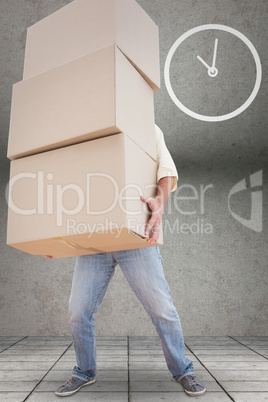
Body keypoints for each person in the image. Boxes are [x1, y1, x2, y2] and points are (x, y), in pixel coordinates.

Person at [54, 125, 206, 397]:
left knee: (162, 309)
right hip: (95, 237)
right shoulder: (85, 127)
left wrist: (160, 201)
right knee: (78, 311)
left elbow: (166, 169)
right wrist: (50, 238)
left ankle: (183, 370)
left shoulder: (147, 126)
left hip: (137, 236)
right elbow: (68, 180)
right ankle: (84, 372)